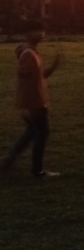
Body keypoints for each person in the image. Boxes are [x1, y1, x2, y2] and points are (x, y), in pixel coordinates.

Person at [2, 22, 62, 178]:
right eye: (37, 31)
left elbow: (40, 76)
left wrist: (55, 65)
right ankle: (38, 170)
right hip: (33, 102)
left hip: (33, 101)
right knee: (42, 132)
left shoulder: (33, 52)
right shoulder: (28, 54)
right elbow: (24, 81)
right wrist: (31, 106)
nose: (41, 34)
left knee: (33, 131)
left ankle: (10, 157)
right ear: (28, 34)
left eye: (42, 31)